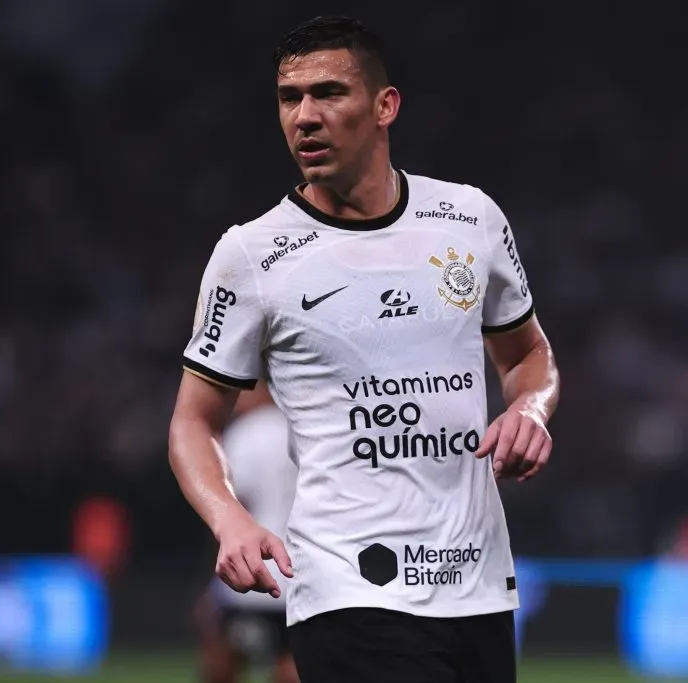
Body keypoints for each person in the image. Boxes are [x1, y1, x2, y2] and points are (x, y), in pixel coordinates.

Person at [168, 15, 560, 683]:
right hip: (349, 585)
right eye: (290, 98)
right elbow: (192, 420)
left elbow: (529, 359)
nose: (305, 117)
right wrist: (228, 516)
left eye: (328, 93)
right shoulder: (252, 255)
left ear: (385, 106)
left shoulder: (470, 220)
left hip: (478, 582)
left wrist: (533, 410)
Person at [193, 383, 299, 683]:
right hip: (300, 574)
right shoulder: (302, 427)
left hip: (253, 572)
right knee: (293, 665)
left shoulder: (247, 432)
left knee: (222, 659)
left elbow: (232, 508)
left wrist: (212, 585)